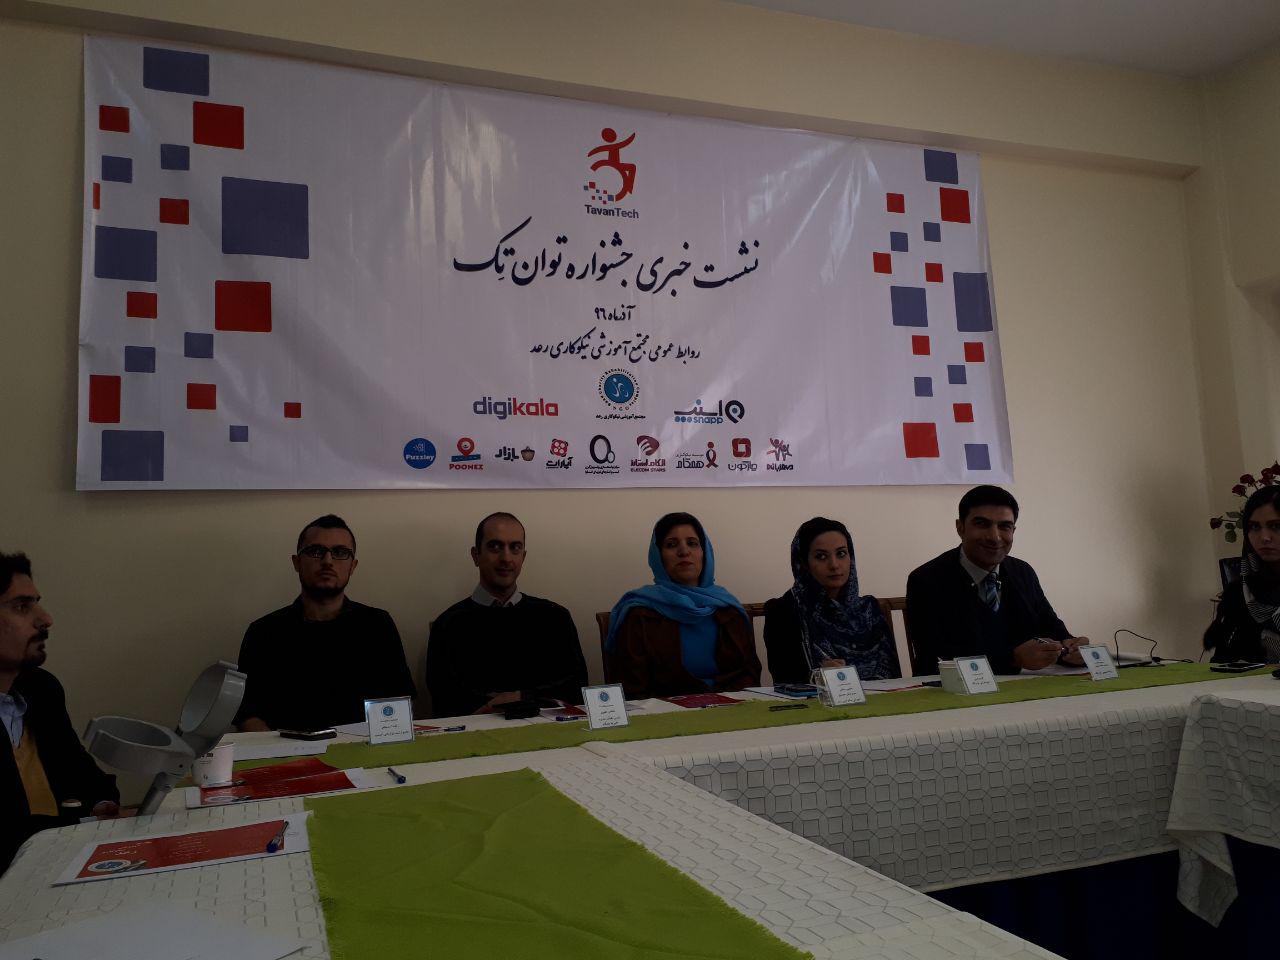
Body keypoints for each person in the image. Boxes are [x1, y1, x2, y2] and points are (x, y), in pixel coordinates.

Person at [235, 515, 415, 731]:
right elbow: (248, 714)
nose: (328, 561)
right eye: (316, 551)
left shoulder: (378, 626)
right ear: (297, 562)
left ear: (353, 566)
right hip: (286, 749)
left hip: (363, 748)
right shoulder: (264, 632)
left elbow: (398, 704)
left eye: (340, 552)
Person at [1, 552, 119, 872]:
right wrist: (80, 824)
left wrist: (102, 806)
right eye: (22, 607)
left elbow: (85, 777)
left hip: (60, 864)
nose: (46, 619)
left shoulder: (40, 689)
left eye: (37, 604)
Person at [906, 486, 1089, 675]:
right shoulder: (926, 580)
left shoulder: (1022, 572)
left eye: (1005, 526)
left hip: (1023, 686)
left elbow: (1052, 629)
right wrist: (1012, 659)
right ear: (960, 528)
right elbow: (935, 659)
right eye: (982, 524)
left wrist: (1072, 648)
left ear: (1013, 530)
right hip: (954, 691)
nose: (995, 537)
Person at [425, 513, 588, 717]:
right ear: (476, 555)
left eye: (515, 548)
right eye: (495, 547)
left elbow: (577, 688)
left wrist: (521, 697)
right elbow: (445, 698)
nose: (506, 558)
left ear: (523, 557)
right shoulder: (448, 624)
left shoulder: (556, 618)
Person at [605, 512, 760, 699]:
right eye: (671, 545)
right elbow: (633, 690)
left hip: (732, 708)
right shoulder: (640, 615)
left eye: (692, 543)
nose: (684, 551)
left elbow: (749, 675)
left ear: (705, 553)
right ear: (658, 556)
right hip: (664, 712)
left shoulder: (728, 610)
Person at [763, 517, 900, 684]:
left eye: (841, 553)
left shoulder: (868, 610)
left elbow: (892, 675)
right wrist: (819, 677)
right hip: (817, 699)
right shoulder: (784, 611)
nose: (834, 565)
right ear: (804, 563)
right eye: (821, 556)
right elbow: (785, 679)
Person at [1205, 485, 1280, 663]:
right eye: (1254, 527)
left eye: (1275, 526)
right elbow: (1223, 663)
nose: (1264, 537)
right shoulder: (1240, 593)